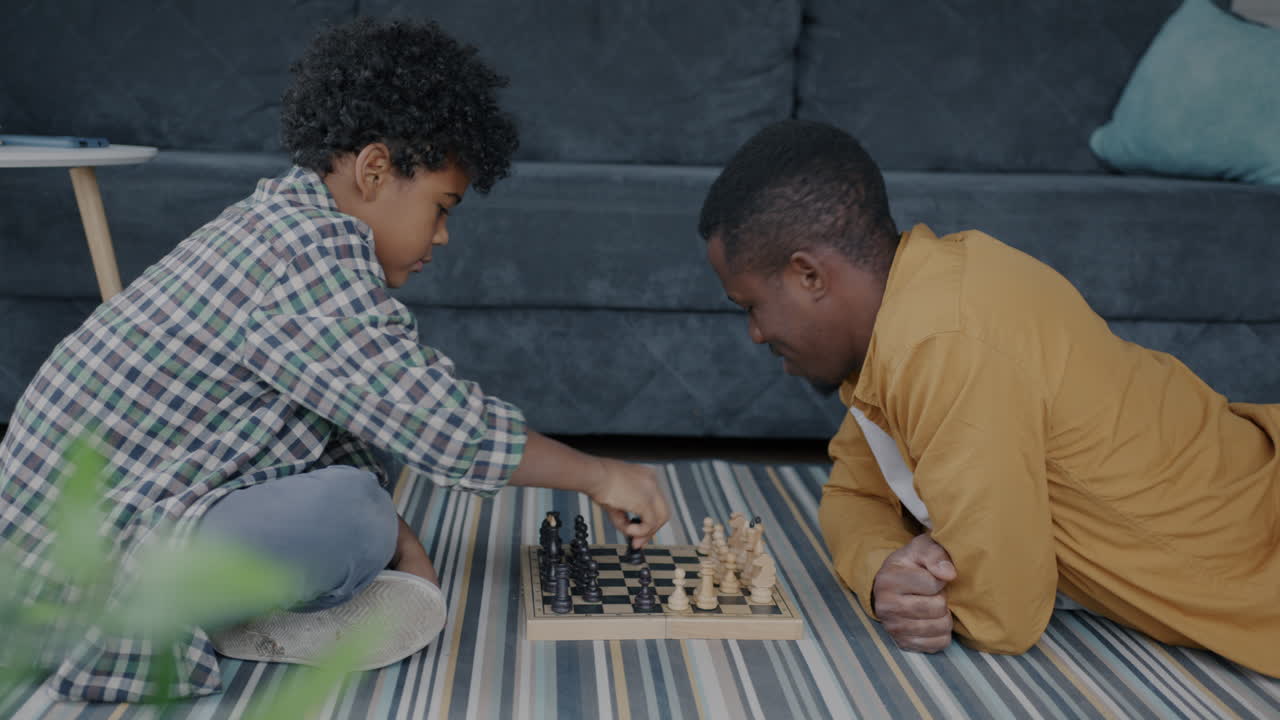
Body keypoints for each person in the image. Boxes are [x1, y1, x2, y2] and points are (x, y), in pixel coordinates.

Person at [0, 18, 669, 703]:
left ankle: (231, 599)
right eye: (442, 207)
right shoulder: (303, 253)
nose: (441, 236)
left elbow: (343, 423)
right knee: (351, 514)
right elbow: (440, 424)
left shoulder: (283, 223)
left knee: (364, 492)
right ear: (374, 169)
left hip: (99, 527)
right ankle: (206, 616)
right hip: (79, 573)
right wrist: (599, 474)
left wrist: (403, 549)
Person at [697, 119, 1278, 677]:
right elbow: (851, 492)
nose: (755, 333)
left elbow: (1002, 614)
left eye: (750, 305)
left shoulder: (940, 340)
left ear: (808, 275)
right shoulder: (913, 306)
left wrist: (930, 585)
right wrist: (883, 568)